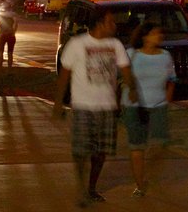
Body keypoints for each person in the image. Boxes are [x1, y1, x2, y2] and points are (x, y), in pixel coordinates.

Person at [53, 11, 137, 207]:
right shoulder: (77, 44)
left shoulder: (115, 45)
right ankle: (82, 188)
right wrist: (58, 103)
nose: (114, 25)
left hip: (107, 108)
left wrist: (132, 89)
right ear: (100, 24)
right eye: (111, 21)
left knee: (101, 152)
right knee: (82, 151)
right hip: (83, 106)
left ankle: (91, 187)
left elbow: (125, 70)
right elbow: (64, 75)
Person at [122, 21, 175, 197]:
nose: (158, 37)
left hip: (158, 105)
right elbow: (120, 77)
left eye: (159, 33)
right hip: (134, 107)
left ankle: (147, 172)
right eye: (154, 33)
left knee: (161, 144)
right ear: (144, 36)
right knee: (137, 147)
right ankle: (139, 184)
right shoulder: (131, 54)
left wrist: (167, 98)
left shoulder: (165, 56)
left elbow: (172, 79)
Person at [0, 3, 18, 68]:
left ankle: (0, 67)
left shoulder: (0, 14)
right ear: (10, 7)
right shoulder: (13, 14)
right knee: (10, 53)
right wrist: (13, 32)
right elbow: (15, 24)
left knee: (1, 52)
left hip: (2, 34)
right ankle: (9, 68)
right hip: (11, 35)